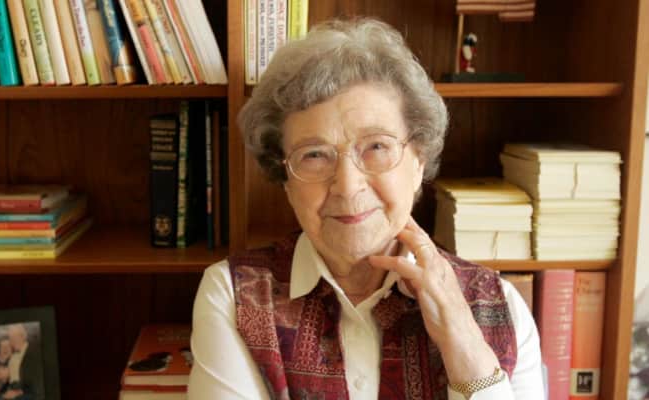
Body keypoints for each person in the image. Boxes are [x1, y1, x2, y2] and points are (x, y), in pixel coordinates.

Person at [188, 18, 545, 399]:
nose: (347, 185)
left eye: (376, 147)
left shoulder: (500, 305)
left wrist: (466, 346)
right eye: (314, 155)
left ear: (419, 161)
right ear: (285, 178)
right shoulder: (234, 295)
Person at [6, 324, 45, 400]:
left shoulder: (35, 353)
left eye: (15, 337)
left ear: (23, 336)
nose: (12, 341)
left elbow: (38, 386)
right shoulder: (13, 358)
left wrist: (19, 393)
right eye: (10, 338)